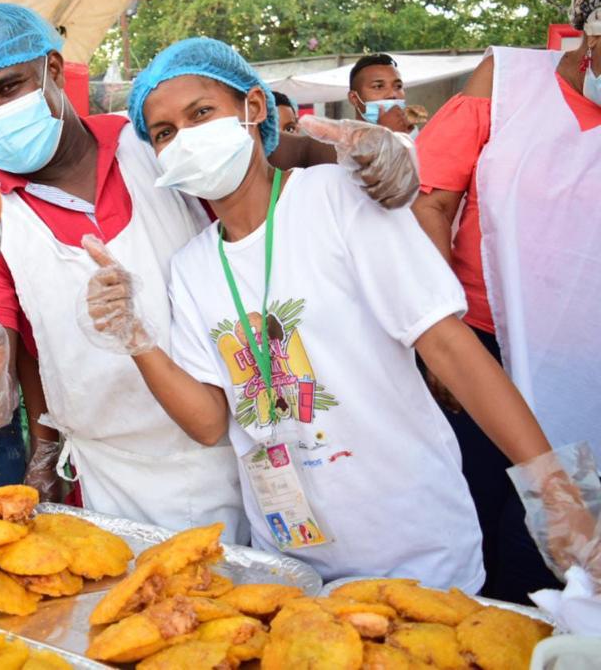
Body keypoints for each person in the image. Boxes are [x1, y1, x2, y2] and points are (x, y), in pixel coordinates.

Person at [0, 3, 422, 539]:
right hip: (112, 478)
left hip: (252, 439)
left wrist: (382, 158)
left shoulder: (153, 138)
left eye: (8, 88)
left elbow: (281, 156)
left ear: (51, 68)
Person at [84, 36, 553, 589]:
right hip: (292, 570)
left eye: (201, 113)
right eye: (164, 133)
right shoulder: (192, 266)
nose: (185, 139)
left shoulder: (335, 198)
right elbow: (211, 421)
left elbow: (447, 344)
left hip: (415, 553)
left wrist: (550, 485)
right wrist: (135, 339)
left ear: (253, 109)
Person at [410, 0, 601, 602]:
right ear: (590, 41)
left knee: (559, 538)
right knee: (475, 509)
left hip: (582, 364)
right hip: (482, 344)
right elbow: (429, 203)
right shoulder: (512, 82)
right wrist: (443, 336)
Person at [348, 53, 413, 134]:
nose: (392, 95)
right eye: (378, 86)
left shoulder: (414, 137)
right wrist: (388, 135)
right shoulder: (337, 142)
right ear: (354, 98)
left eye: (398, 86)